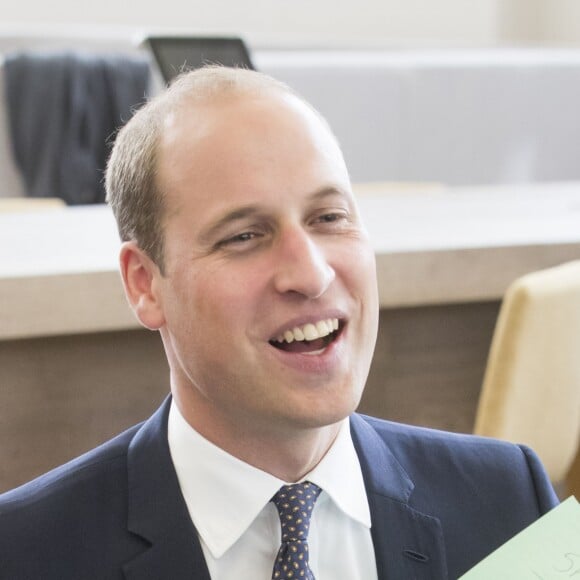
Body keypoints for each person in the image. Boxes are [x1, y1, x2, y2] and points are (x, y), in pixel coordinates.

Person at [0, 66, 558, 579]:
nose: (310, 275)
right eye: (244, 236)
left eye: (329, 217)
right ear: (145, 284)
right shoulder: (25, 551)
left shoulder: (512, 502)